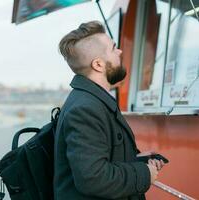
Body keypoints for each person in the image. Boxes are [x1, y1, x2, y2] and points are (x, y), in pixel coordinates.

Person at [54, 21, 165, 200]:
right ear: (98, 64)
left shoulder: (91, 100)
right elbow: (92, 178)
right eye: (113, 48)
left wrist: (136, 159)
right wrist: (144, 174)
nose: (120, 51)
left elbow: (100, 158)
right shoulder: (85, 109)